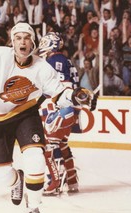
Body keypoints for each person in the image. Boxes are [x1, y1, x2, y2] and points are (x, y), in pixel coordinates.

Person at [0, 14, 97, 213]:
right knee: (0, 175)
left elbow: (59, 93)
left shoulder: (42, 67)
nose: (23, 41)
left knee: (36, 157)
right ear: (12, 42)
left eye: (27, 37)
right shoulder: (0, 56)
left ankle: (34, 208)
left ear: (33, 43)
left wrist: (75, 96)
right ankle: (17, 181)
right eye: (18, 37)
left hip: (25, 113)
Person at [38, 32, 82, 195]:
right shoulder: (66, 60)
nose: (41, 46)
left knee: (49, 145)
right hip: (71, 109)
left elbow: (61, 87)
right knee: (62, 143)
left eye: (44, 42)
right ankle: (71, 180)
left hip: (61, 108)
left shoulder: (52, 61)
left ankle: (54, 181)